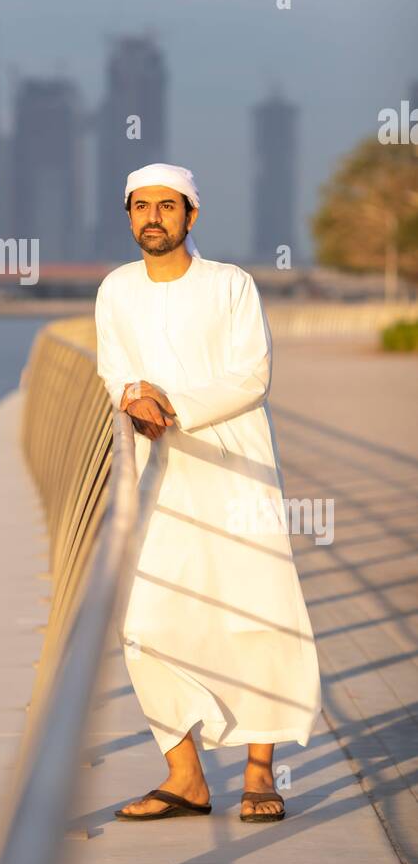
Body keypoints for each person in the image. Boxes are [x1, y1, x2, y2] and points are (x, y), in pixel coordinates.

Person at [94, 163, 322, 822]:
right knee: (146, 622)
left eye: (168, 206)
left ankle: (259, 773)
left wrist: (174, 404)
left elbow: (252, 375)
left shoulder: (231, 285)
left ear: (191, 216)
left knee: (257, 613)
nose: (154, 217)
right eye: (142, 206)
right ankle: (185, 777)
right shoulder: (115, 290)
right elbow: (114, 369)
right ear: (130, 215)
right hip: (156, 471)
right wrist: (135, 397)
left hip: (236, 468)